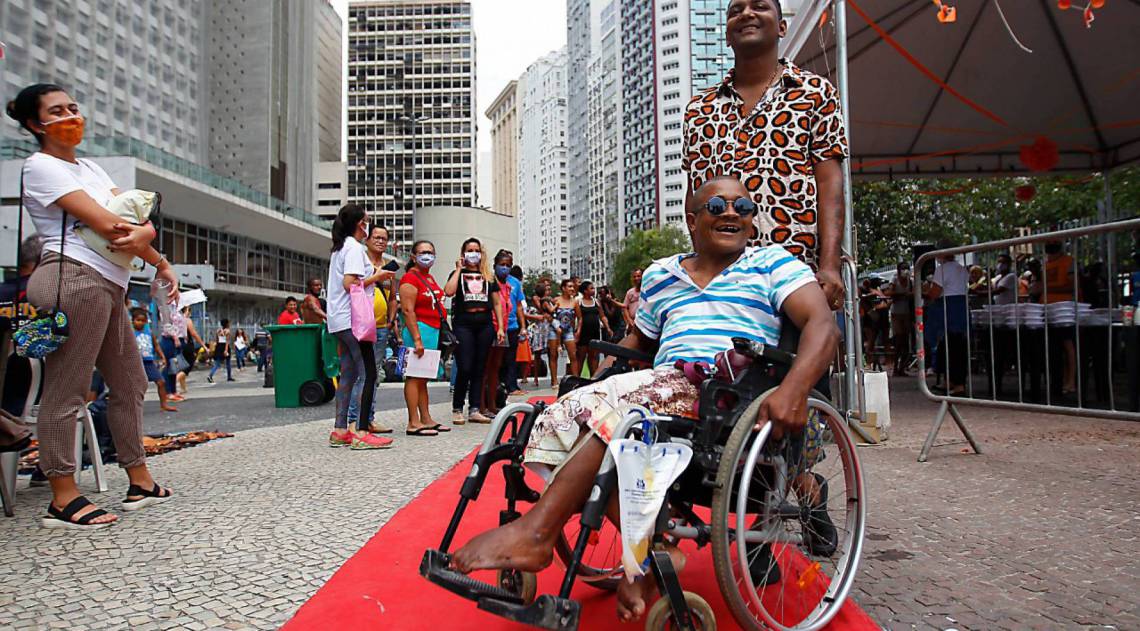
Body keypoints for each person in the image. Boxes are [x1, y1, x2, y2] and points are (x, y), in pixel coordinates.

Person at [448, 176, 839, 622]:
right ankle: (655, 550)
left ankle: (538, 532)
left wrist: (794, 389)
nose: (731, 212)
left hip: (729, 392)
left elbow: (823, 327)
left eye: (743, 207)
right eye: (716, 205)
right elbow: (637, 343)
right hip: (661, 386)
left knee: (618, 414)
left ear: (752, 222)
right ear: (692, 220)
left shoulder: (773, 264)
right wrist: (592, 382)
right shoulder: (661, 274)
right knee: (565, 411)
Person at [9, 83, 174, 527]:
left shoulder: (91, 169)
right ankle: (63, 496)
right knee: (68, 389)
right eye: (56, 111)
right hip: (73, 279)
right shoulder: (40, 166)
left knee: (131, 382)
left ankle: (138, 479)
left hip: (108, 283)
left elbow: (138, 220)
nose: (69, 116)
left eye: (73, 108)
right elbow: (109, 223)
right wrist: (144, 235)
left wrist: (157, 257)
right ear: (33, 124)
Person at [682, 0, 847, 313]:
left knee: (801, 361)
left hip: (794, 276)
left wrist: (830, 265)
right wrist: (699, 268)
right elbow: (695, 195)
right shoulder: (698, 110)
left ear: (782, 27)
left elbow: (830, 185)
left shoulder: (814, 93)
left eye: (759, 6)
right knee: (719, 362)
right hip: (721, 282)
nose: (746, 14)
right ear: (727, 36)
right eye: (735, 10)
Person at [326, 204, 394, 450]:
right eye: (366, 221)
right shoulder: (354, 248)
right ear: (359, 224)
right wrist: (378, 277)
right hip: (354, 321)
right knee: (368, 374)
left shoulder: (340, 247)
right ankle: (362, 431)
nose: (369, 224)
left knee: (348, 374)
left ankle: (341, 429)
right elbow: (350, 283)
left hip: (338, 320)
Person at [444, 238, 506, 424]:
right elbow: (448, 291)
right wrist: (457, 269)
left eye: (476, 250)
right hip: (464, 323)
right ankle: (457, 407)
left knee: (480, 367)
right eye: (469, 250)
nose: (473, 253)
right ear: (463, 253)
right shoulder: (459, 273)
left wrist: (500, 327)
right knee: (465, 366)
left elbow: (496, 302)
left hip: (485, 324)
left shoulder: (488, 276)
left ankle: (475, 408)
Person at [400, 239, 450, 436]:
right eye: (422, 252)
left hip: (432, 330)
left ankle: (426, 418)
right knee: (414, 376)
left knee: (423, 378)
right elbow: (407, 309)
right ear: (413, 256)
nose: (427, 255)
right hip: (418, 330)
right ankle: (413, 421)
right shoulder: (410, 279)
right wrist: (417, 339)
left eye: (430, 251)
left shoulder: (428, 278)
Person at [923, 246, 969, 395]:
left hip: (948, 309)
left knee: (951, 346)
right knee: (955, 345)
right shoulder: (962, 269)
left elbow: (935, 292)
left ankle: (957, 383)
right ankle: (950, 381)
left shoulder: (942, 270)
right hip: (960, 308)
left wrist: (926, 292)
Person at [1043, 241, 1078, 395]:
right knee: (1055, 348)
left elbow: (1071, 285)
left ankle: (1071, 381)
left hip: (1064, 311)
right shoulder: (1046, 264)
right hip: (1048, 310)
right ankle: (1060, 381)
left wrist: (1045, 288)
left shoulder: (1068, 262)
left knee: (1068, 345)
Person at [131, 308, 177, 413]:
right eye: (138, 320)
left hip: (149, 361)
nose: (141, 323)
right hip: (136, 362)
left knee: (161, 382)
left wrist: (162, 356)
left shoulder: (148, 332)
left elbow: (156, 345)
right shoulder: (130, 332)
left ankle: (163, 404)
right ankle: (135, 407)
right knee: (138, 386)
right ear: (133, 320)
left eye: (143, 321)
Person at [495, 250, 528, 396]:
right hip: (496, 326)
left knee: (511, 358)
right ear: (495, 264)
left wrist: (523, 327)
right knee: (496, 359)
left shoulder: (515, 282)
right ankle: (497, 386)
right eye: (502, 264)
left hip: (513, 325)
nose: (505, 267)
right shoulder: (490, 280)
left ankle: (512, 386)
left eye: (508, 265)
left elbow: (519, 305)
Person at [575, 280, 612, 377]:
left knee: (594, 357)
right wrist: (577, 332)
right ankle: (577, 379)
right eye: (591, 288)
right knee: (581, 357)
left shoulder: (596, 301)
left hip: (595, 333)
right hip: (583, 334)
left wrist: (608, 328)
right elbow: (579, 318)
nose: (594, 290)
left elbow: (602, 316)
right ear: (585, 291)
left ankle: (594, 378)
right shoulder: (579, 302)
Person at [885, 262, 915, 376]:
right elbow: (889, 292)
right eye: (903, 269)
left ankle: (902, 367)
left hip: (906, 313)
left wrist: (909, 295)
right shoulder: (894, 280)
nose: (905, 271)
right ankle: (896, 368)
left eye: (907, 269)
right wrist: (901, 295)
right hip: (896, 313)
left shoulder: (910, 281)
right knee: (898, 339)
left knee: (906, 341)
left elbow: (914, 292)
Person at [549, 279, 581, 383]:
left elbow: (580, 318)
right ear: (563, 288)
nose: (572, 288)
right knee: (553, 355)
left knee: (573, 355)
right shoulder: (556, 300)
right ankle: (554, 380)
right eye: (569, 286)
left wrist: (578, 331)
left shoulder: (575, 302)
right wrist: (555, 325)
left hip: (568, 330)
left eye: (572, 286)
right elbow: (549, 315)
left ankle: (576, 379)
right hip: (555, 330)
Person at [207, 319, 233, 383]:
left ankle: (210, 375)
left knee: (217, 363)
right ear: (227, 324)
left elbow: (217, 340)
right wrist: (226, 350)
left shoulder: (218, 330)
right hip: (224, 347)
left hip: (219, 347)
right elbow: (227, 341)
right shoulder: (227, 331)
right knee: (228, 362)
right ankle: (229, 377)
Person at [622, 268, 643, 339]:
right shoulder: (630, 292)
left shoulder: (647, 290)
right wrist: (629, 320)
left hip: (645, 323)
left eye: (638, 276)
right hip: (632, 324)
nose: (636, 278)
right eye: (634, 276)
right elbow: (624, 307)